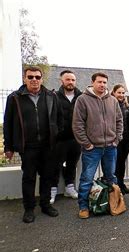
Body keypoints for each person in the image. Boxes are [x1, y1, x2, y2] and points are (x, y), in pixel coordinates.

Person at [3, 66, 63, 223]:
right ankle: (29, 209)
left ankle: (45, 205)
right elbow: (8, 123)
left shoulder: (51, 96)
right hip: (28, 146)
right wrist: (8, 147)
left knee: (47, 177)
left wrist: (56, 135)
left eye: (37, 77)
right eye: (30, 77)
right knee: (29, 178)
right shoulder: (14, 98)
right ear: (24, 79)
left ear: (42, 79)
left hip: (47, 146)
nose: (34, 80)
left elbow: (59, 118)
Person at [72, 72, 123, 219]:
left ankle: (113, 203)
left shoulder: (112, 100)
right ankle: (83, 206)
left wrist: (116, 139)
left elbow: (119, 121)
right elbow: (77, 124)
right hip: (92, 148)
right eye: (99, 82)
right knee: (87, 177)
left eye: (105, 82)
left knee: (111, 177)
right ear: (92, 82)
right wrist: (86, 144)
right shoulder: (82, 99)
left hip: (110, 147)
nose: (102, 85)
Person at [50, 70, 82, 204]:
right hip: (59, 139)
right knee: (55, 165)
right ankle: (52, 190)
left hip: (75, 138)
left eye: (73, 80)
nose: (70, 82)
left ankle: (70, 188)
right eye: (67, 79)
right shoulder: (54, 96)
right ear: (61, 81)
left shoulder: (80, 97)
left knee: (72, 164)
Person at [112, 84, 129, 194]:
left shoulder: (127, 106)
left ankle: (121, 182)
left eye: (123, 93)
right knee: (114, 163)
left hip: (126, 138)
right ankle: (115, 186)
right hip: (115, 139)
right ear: (114, 93)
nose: (121, 95)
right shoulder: (110, 105)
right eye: (119, 92)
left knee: (122, 162)